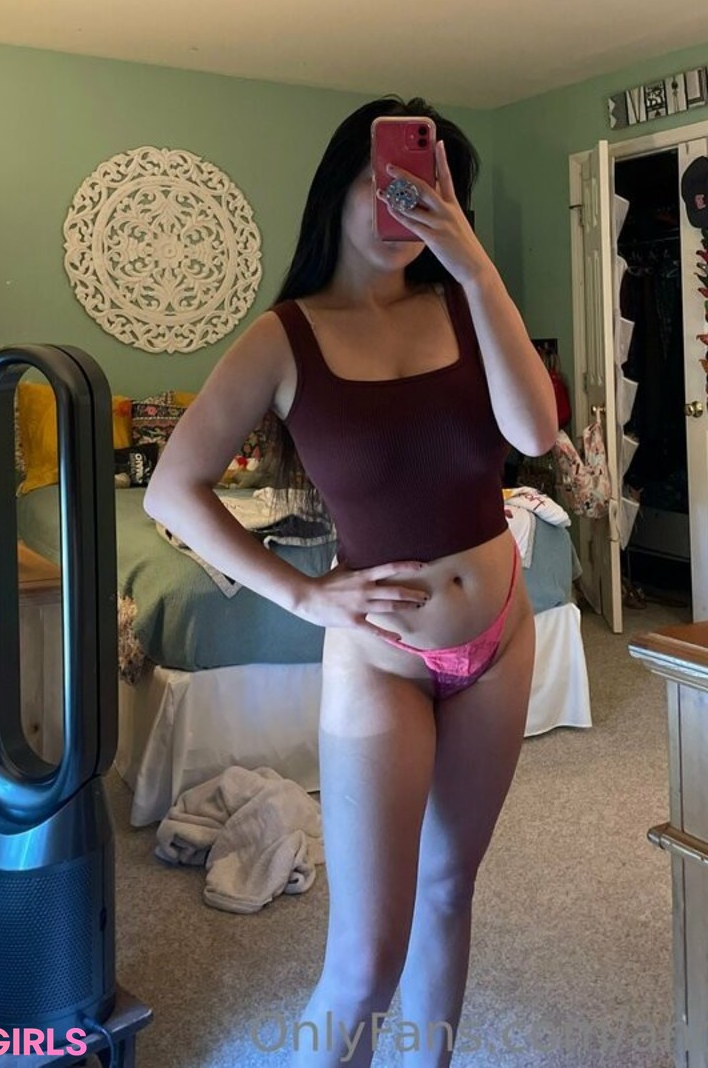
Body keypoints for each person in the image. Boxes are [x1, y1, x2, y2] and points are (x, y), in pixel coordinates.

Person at [144, 97, 559, 1067]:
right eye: (387, 181)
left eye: (427, 188)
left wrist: (477, 268)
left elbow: (535, 432)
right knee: (364, 962)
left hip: (501, 636)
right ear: (339, 184)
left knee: (450, 891)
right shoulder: (284, 336)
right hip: (380, 660)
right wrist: (301, 595)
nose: (402, 206)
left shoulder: (467, 304)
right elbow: (172, 489)